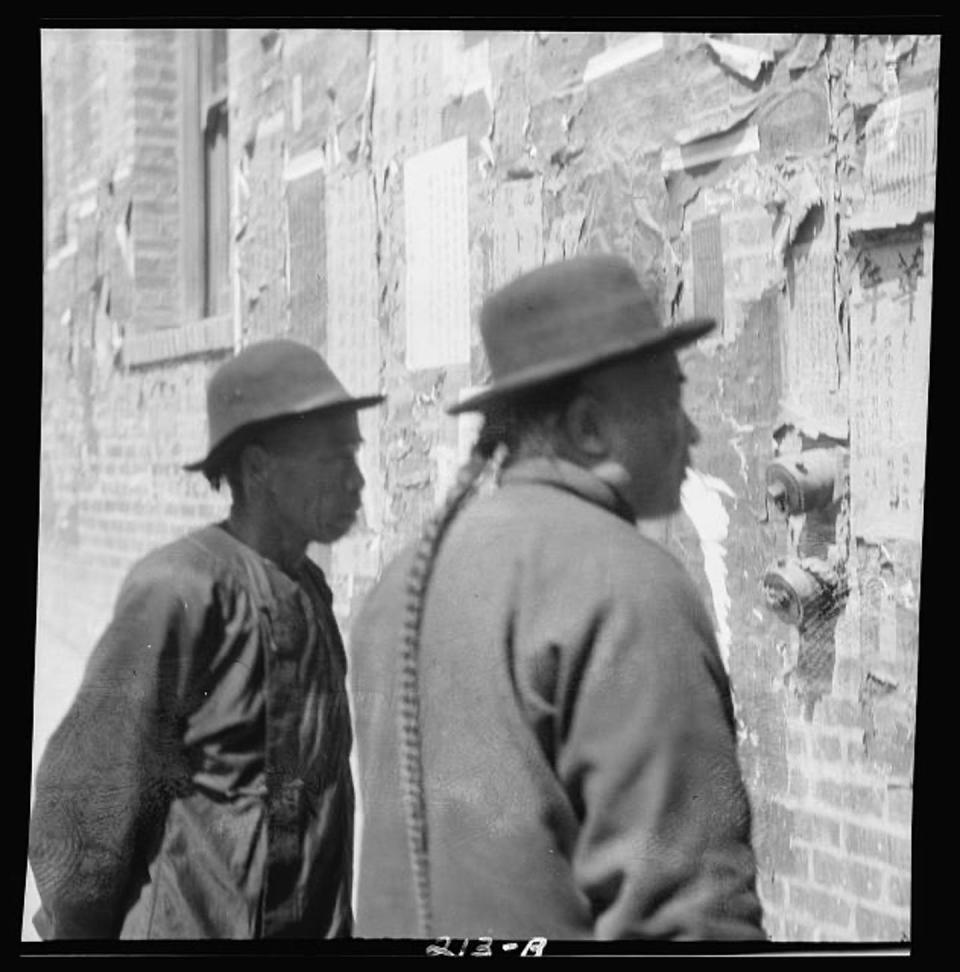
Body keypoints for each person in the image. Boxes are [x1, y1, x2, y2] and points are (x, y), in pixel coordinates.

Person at [349, 254, 766, 941]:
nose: (689, 431)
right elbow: (690, 919)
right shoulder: (630, 585)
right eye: (670, 398)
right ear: (589, 429)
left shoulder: (398, 582)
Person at [28, 339, 384, 939]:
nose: (357, 482)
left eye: (356, 457)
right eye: (333, 459)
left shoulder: (309, 591)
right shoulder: (180, 588)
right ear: (258, 468)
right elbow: (87, 796)